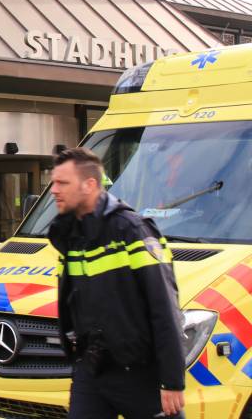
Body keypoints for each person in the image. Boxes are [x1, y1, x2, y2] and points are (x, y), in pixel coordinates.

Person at [47, 147, 185, 419]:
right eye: (53, 182)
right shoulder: (71, 235)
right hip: (92, 371)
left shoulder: (132, 231)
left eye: (63, 182)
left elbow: (164, 308)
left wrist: (172, 380)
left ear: (89, 185)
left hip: (139, 374)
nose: (54, 190)